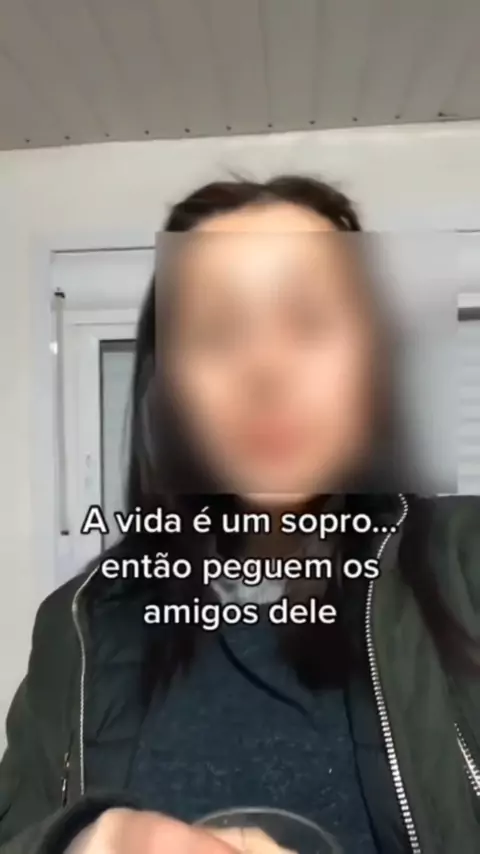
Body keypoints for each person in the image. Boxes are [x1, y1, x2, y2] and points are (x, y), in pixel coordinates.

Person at [0, 175, 479, 854]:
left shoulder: (465, 564)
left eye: (310, 321)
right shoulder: (77, 624)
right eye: (217, 332)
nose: (266, 368)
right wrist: (78, 842)